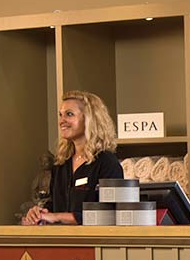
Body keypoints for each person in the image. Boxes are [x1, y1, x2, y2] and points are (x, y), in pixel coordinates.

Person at [21, 92, 123, 225]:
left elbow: (109, 214)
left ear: (89, 119)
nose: (61, 121)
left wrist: (57, 217)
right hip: (63, 238)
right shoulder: (61, 164)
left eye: (69, 114)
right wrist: (40, 213)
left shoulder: (107, 162)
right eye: (60, 115)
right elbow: (54, 205)